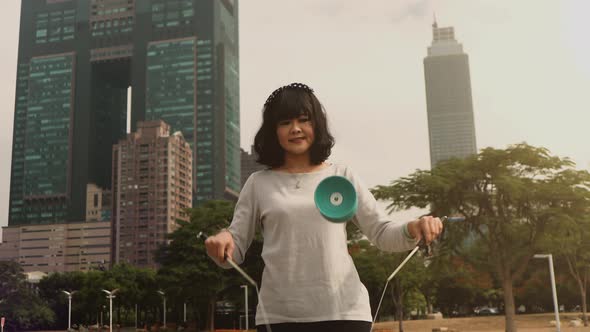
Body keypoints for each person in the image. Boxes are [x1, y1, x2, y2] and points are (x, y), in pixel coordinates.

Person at [205, 82, 443, 332]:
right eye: (284, 122)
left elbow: (381, 232)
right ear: (273, 131)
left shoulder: (343, 175)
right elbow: (236, 246)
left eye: (304, 120)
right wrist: (222, 241)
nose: (295, 129)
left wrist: (413, 228)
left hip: (346, 314)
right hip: (279, 318)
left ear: (316, 125)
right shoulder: (258, 183)